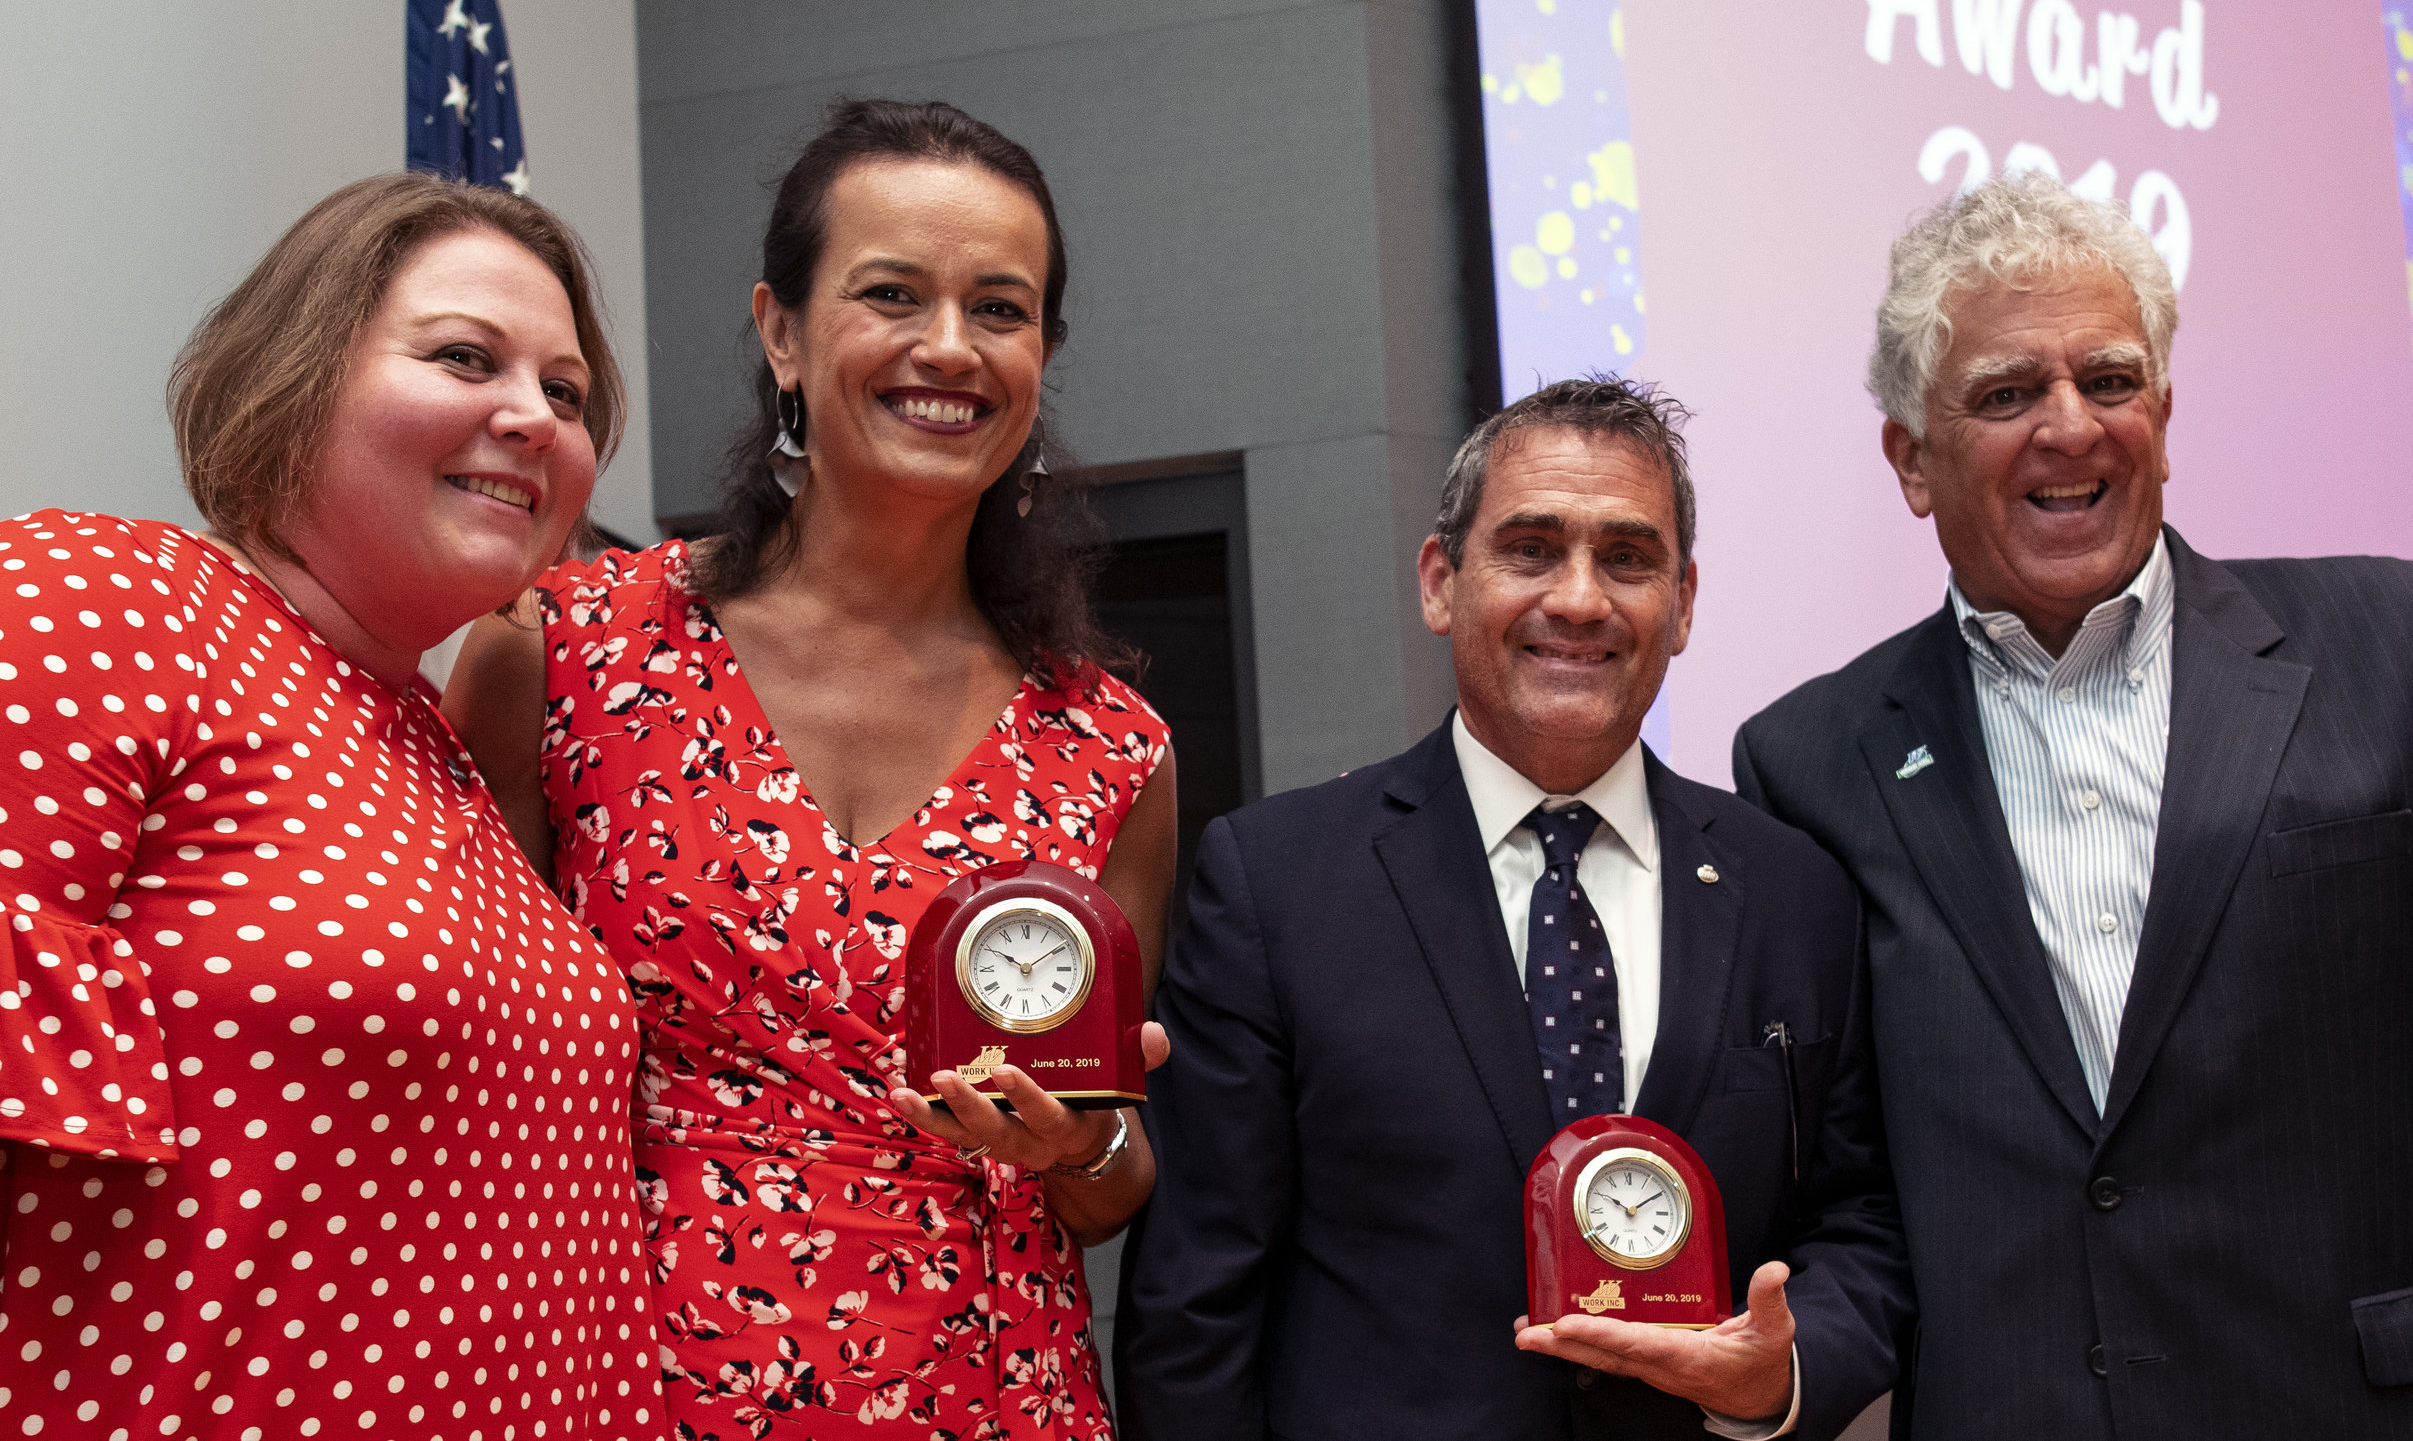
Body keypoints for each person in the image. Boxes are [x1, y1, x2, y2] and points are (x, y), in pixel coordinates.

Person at [447, 98, 1177, 1438]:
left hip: (994, 1397)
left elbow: (1112, 1178)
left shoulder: (1111, 749)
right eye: (890, 292)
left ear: (1043, 355)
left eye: (1001, 309)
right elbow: (479, 1082)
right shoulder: (568, 650)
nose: (948, 348)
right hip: (623, 1390)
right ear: (780, 328)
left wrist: (1080, 1144)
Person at [1734, 172, 2413, 1437]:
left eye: (2107, 379)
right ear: (1911, 461)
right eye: (2003, 394)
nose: (2070, 426)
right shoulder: (1806, 762)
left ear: (2161, 407)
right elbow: (1854, 1192)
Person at [1117, 378, 1910, 1440]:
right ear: (1442, 582)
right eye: (1531, 548)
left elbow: (1858, 1219)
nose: (1579, 599)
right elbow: (1194, 1298)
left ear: (1681, 603)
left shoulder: (1795, 890)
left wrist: (1783, 1370)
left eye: (1627, 558)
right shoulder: (1276, 880)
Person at [0, 173, 663, 1438]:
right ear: (297, 373)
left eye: (566, 393)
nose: (530, 416)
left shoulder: (441, 749)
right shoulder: (104, 601)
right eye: (466, 356)